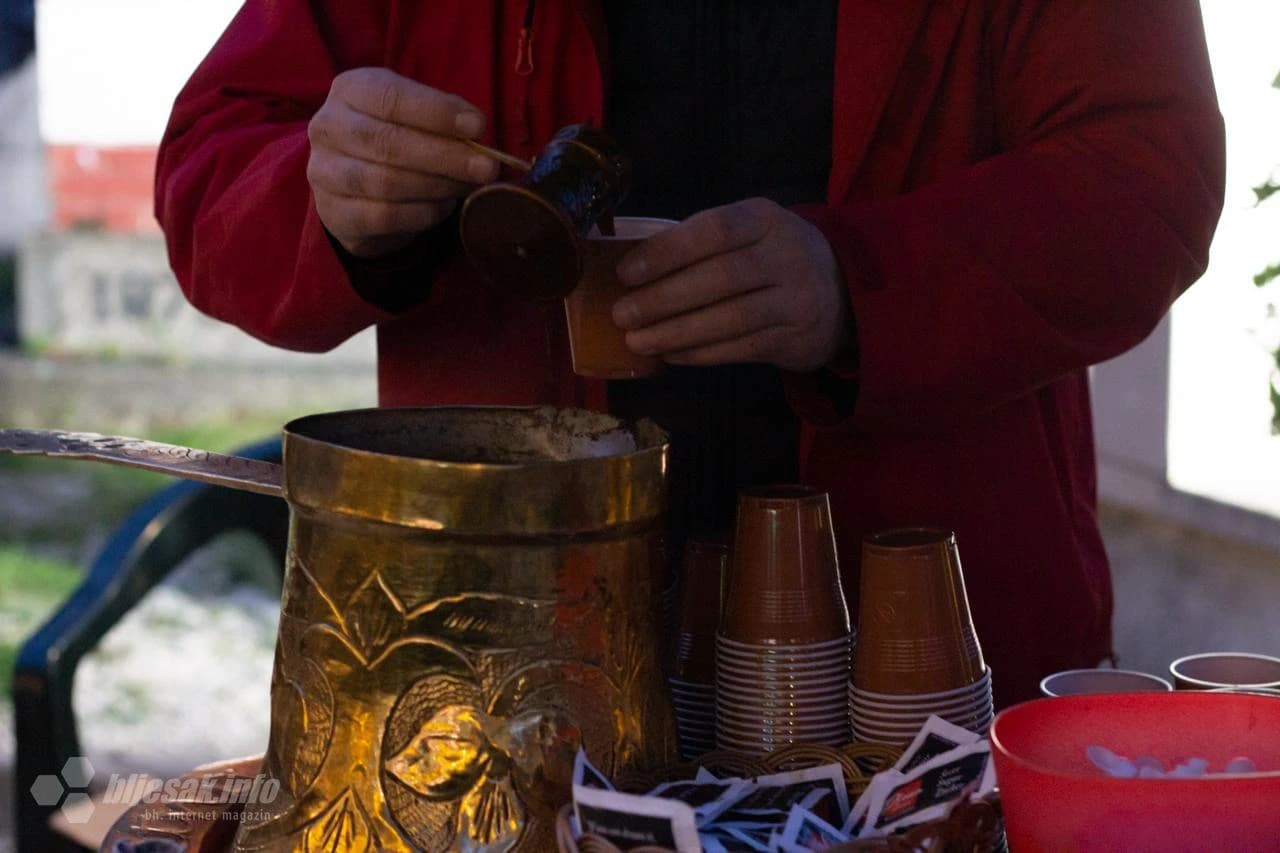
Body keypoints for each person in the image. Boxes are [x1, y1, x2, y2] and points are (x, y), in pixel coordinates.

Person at [155, 0, 1225, 706]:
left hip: (924, 653)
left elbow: (1147, 180)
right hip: (500, 656)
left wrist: (856, 281)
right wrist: (327, 192)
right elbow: (212, 174)